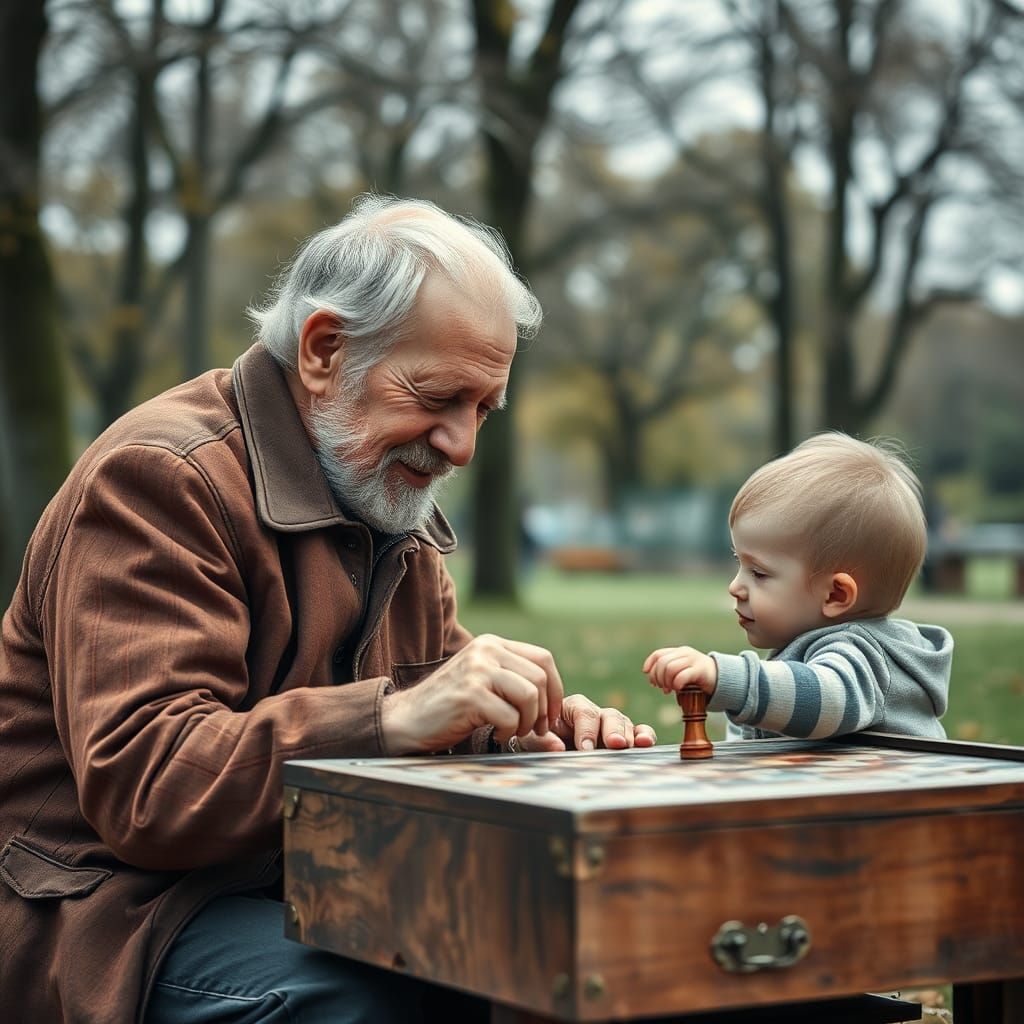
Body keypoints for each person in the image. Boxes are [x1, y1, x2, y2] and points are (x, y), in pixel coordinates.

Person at [0, 195, 656, 1024]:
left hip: (311, 887)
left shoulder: (390, 507)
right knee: (376, 998)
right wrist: (395, 716)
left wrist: (532, 730)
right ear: (324, 350)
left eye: (482, 409)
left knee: (549, 965)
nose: (462, 444)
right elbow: (148, 785)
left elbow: (438, 715)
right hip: (113, 916)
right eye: (438, 395)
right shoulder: (162, 479)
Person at [643, 432, 952, 741]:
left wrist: (728, 679)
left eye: (759, 574)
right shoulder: (796, 658)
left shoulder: (860, 656)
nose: (735, 587)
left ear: (835, 595)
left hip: (901, 790)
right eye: (740, 563)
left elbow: (827, 701)